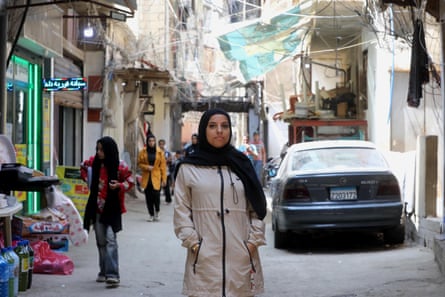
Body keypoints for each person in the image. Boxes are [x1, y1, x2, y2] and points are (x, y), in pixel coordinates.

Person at [173, 108, 267, 297]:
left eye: (224, 126)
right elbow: (181, 211)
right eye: (213, 126)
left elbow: (257, 208)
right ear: (203, 130)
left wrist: (250, 244)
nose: (219, 131)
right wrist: (195, 244)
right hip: (203, 259)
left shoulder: (242, 164)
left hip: (241, 257)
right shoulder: (188, 167)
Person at [81, 136, 134, 288]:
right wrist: (87, 180)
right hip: (97, 209)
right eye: (97, 149)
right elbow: (83, 167)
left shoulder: (120, 166)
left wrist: (119, 185)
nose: (99, 153)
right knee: (101, 242)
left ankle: (113, 275)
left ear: (109, 150)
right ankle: (103, 272)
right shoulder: (94, 162)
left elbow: (130, 181)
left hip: (112, 209)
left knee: (111, 240)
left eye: (102, 150)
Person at [137, 131, 167, 221]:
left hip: (156, 177)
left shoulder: (159, 152)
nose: (151, 142)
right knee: (148, 197)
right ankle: (151, 214)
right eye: (150, 141)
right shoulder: (142, 151)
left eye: (153, 141)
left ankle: (157, 211)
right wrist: (146, 167)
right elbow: (139, 163)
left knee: (156, 196)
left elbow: (163, 167)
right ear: (147, 142)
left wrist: (164, 179)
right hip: (146, 177)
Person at [158, 139, 173, 204]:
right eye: (160, 144)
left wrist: (166, 160)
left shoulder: (167, 152)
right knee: (157, 186)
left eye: (162, 144)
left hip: (165, 171)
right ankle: (156, 199)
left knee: (166, 186)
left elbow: (170, 160)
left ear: (164, 144)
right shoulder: (157, 152)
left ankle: (168, 199)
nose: (161, 145)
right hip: (158, 171)